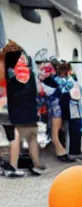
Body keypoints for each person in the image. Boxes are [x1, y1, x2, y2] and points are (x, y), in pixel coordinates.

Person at [0, 40, 45, 177]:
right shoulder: (28, 73)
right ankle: (34, 165)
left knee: (16, 138)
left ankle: (14, 166)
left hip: (15, 113)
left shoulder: (10, 73)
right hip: (26, 112)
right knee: (30, 139)